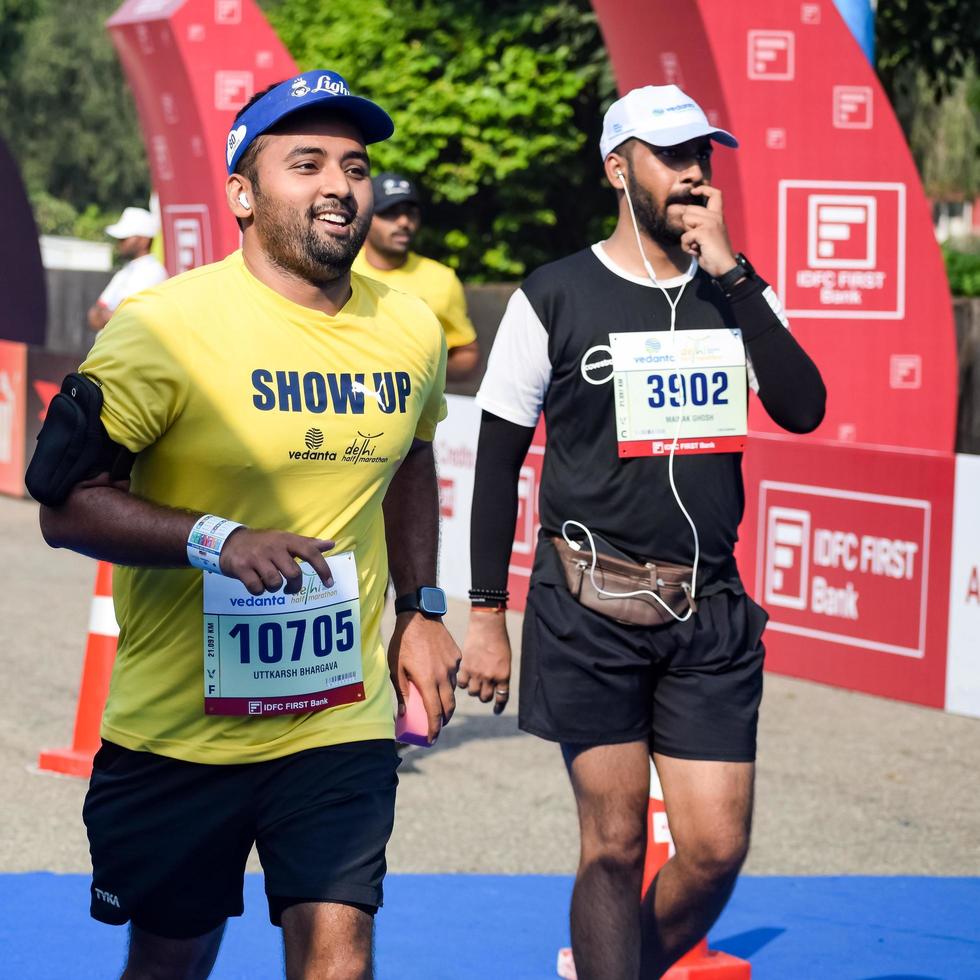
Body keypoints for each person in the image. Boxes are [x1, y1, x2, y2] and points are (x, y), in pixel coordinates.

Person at [35, 70, 460, 979]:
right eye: (305, 163)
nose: (340, 185)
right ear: (242, 193)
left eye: (353, 164)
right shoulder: (165, 329)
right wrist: (217, 541)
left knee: (338, 949)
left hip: (337, 721)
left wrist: (421, 609)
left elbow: (412, 455)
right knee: (172, 959)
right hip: (179, 731)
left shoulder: (413, 327)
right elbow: (62, 504)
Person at [458, 84, 826, 979]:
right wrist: (484, 613)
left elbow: (805, 406)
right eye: (672, 153)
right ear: (619, 169)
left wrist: (733, 271)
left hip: (710, 612)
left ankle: (603, 965)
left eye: (704, 150)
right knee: (615, 844)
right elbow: (497, 463)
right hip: (590, 603)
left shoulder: (734, 291)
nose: (696, 169)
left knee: (712, 850)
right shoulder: (552, 295)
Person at [353, 172, 480, 382]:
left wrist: (424, 369)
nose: (404, 221)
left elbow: (468, 353)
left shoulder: (442, 279)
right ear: (365, 216)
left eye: (411, 213)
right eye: (390, 212)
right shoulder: (338, 270)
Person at [86, 206, 168, 331]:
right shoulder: (125, 271)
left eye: (125, 238)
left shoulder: (153, 271)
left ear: (144, 240)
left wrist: (110, 314)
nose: (119, 242)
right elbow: (94, 317)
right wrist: (111, 315)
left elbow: (125, 318)